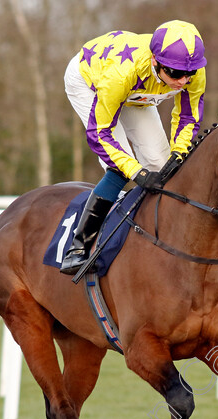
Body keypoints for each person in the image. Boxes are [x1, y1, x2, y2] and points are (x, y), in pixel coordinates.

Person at [60, 20, 207, 274]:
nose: (183, 81)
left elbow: (188, 117)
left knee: (163, 167)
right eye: (174, 73)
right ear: (155, 61)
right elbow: (100, 134)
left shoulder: (192, 70)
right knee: (119, 167)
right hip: (91, 82)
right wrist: (136, 173)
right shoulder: (120, 74)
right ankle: (78, 248)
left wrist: (179, 152)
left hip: (139, 94)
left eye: (189, 74)